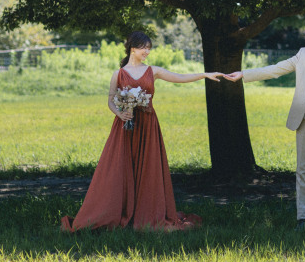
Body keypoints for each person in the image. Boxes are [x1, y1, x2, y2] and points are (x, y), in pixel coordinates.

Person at [61, 31, 223, 232]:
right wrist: (120, 114)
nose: (147, 51)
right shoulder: (118, 74)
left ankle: (146, 213)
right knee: (120, 169)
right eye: (144, 47)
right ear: (132, 48)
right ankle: (118, 211)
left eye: (149, 48)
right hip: (125, 128)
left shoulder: (152, 71)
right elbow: (111, 100)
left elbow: (180, 77)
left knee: (148, 168)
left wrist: (205, 75)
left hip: (148, 125)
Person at [223, 10, 305, 232]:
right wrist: (244, 74)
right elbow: (276, 70)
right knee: (303, 171)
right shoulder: (304, 54)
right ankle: (303, 219)